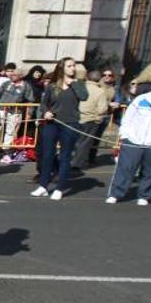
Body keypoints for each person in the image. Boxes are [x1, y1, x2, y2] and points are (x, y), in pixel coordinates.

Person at [106, 65, 151, 206]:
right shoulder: (141, 99)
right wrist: (125, 134)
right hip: (133, 140)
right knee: (125, 168)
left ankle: (144, 195)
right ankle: (116, 194)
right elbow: (128, 118)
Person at [31, 57, 88, 201]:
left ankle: (60, 188)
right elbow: (44, 104)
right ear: (62, 68)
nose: (73, 68)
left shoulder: (79, 84)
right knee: (47, 154)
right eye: (69, 66)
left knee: (65, 156)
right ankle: (43, 185)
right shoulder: (52, 86)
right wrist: (46, 112)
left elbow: (84, 96)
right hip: (52, 123)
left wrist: (74, 85)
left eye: (74, 66)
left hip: (70, 124)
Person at [73, 67, 116, 170]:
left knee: (74, 141)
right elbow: (102, 109)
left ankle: (68, 161)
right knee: (84, 143)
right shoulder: (100, 91)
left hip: (76, 117)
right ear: (99, 79)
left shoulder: (79, 87)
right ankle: (77, 164)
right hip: (91, 120)